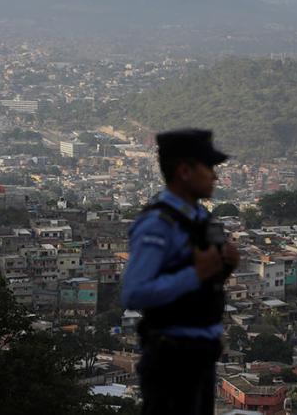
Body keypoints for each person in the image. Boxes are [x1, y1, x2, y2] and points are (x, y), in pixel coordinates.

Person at [122, 129, 240, 415]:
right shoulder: (158, 224)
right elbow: (134, 293)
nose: (214, 176)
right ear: (184, 171)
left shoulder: (199, 218)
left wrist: (224, 268)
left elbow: (198, 283)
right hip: (171, 358)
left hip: (201, 354)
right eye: (208, 167)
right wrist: (197, 273)